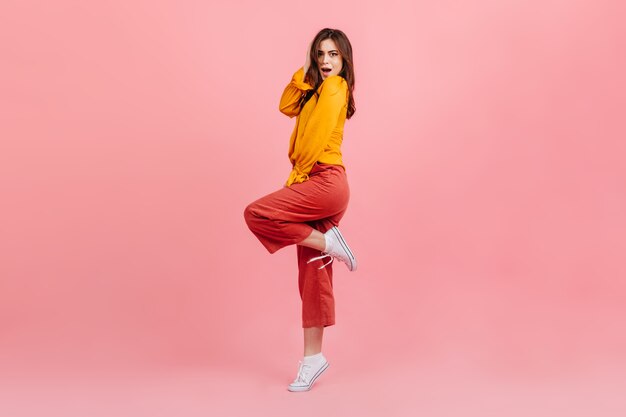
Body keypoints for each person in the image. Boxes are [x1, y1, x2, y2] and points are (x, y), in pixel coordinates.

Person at [244, 28, 357, 392]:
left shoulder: (336, 88)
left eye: (333, 55)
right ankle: (313, 359)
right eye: (320, 54)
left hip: (323, 180)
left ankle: (328, 242)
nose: (326, 61)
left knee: (257, 213)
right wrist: (306, 74)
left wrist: (298, 177)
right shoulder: (317, 90)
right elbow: (286, 105)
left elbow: (312, 140)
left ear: (344, 60)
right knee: (313, 273)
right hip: (318, 181)